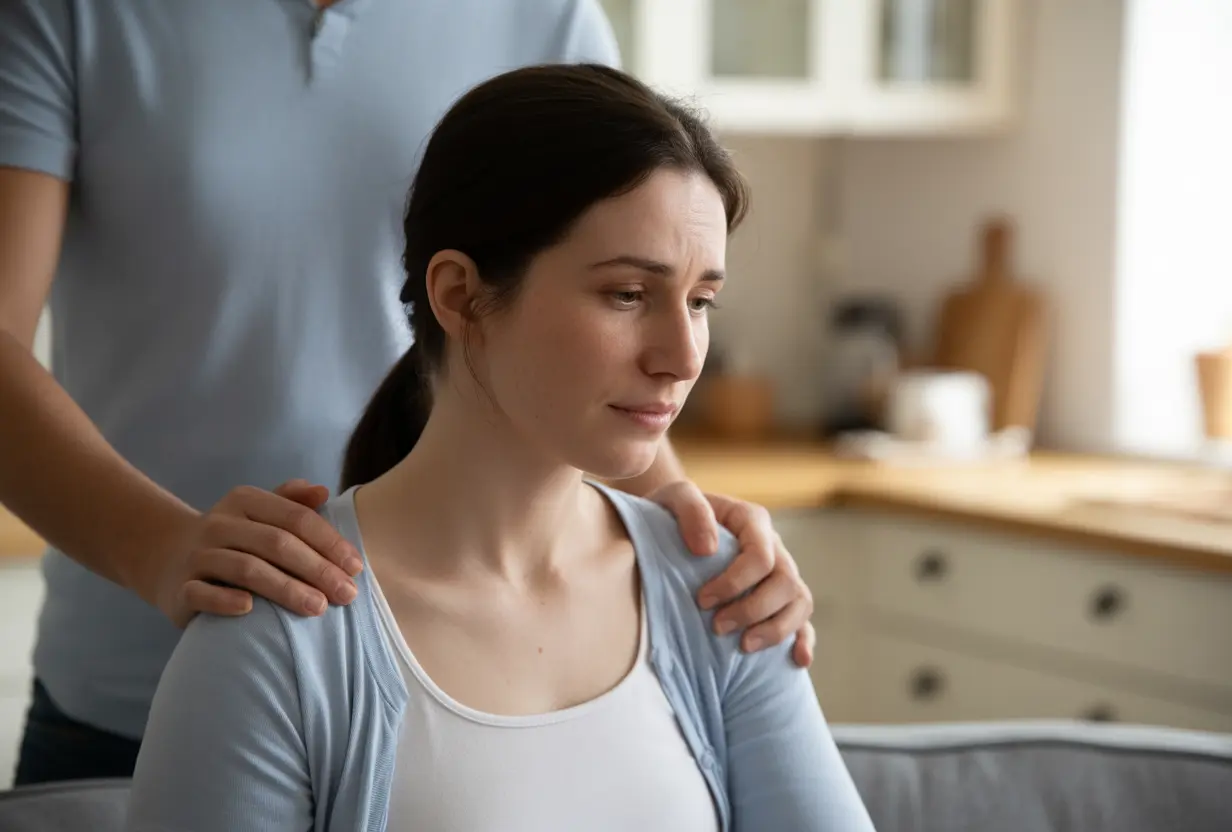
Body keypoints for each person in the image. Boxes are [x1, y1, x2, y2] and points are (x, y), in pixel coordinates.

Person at [0, 0, 817, 787]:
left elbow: (612, 291)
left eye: (702, 303)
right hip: (130, 673)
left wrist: (700, 550)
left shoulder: (547, 16)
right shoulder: (69, 11)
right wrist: (163, 549)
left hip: (469, 670)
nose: (682, 353)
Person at [124, 62, 875, 832]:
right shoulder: (277, 637)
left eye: (700, 301)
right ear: (460, 295)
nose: (685, 357)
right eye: (627, 293)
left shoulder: (720, 593)